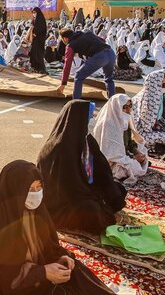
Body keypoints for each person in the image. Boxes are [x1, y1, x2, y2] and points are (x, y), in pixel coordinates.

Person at [0, 160, 116, 295]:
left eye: (39, 188)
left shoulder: (35, 211)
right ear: (15, 190)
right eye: (29, 190)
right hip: (1, 287)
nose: (36, 194)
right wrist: (42, 273)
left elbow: (48, 245)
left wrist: (61, 257)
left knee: (75, 272)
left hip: (31, 273)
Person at [37, 101, 127, 235]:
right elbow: (68, 187)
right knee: (91, 210)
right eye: (89, 117)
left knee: (118, 189)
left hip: (83, 188)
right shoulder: (58, 148)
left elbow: (101, 169)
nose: (91, 120)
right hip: (63, 200)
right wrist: (93, 195)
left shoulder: (86, 139)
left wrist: (104, 190)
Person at [92, 94, 149, 185]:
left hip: (122, 155)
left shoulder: (124, 120)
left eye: (130, 106)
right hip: (109, 161)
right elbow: (111, 155)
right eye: (124, 107)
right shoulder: (108, 124)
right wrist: (133, 158)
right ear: (116, 107)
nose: (128, 110)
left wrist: (136, 152)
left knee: (143, 154)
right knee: (124, 169)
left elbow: (129, 142)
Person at [56, 28, 116, 99]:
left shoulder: (70, 45)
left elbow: (67, 65)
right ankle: (113, 103)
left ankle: (76, 102)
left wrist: (63, 83)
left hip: (100, 57)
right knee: (109, 79)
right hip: (111, 53)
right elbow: (102, 40)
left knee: (78, 76)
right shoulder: (86, 32)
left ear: (65, 38)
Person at [29, 7, 47, 74]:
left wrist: (35, 33)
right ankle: (35, 67)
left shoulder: (41, 19)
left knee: (39, 54)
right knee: (33, 53)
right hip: (35, 40)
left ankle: (41, 69)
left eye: (35, 12)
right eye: (33, 13)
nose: (34, 14)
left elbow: (41, 29)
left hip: (39, 40)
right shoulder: (34, 19)